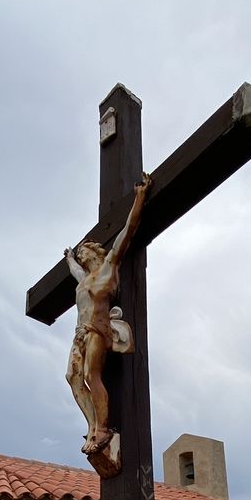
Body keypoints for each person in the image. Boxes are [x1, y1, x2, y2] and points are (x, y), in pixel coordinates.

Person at [64, 172, 151, 455]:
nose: (81, 257)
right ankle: (92, 426)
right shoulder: (84, 279)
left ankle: (103, 427)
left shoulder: (108, 268)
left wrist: (139, 197)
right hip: (79, 334)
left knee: (92, 374)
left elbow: (127, 232)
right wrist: (67, 259)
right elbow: (75, 271)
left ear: (94, 253)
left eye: (83, 253)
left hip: (97, 329)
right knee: (73, 377)